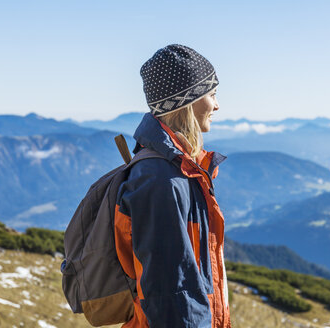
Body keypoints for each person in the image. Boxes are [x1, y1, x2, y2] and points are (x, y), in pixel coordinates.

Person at [114, 44, 231, 328]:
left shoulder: (178, 170)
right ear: (187, 101)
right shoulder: (163, 181)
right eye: (211, 95)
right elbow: (171, 295)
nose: (217, 105)